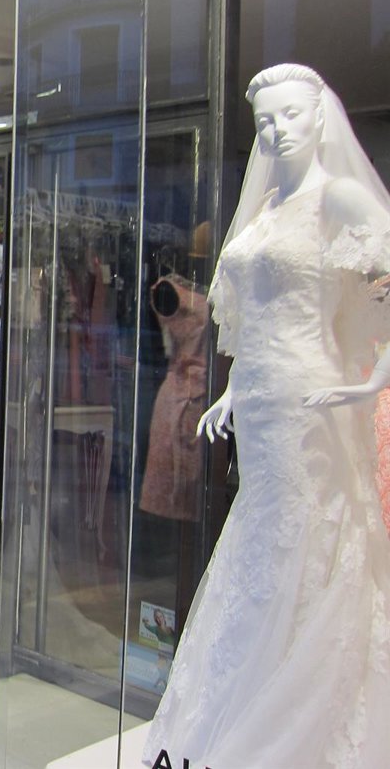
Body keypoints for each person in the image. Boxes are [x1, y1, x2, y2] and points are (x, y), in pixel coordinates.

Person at [144, 64, 390, 767]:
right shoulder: (271, 207)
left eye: (290, 115)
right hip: (258, 406)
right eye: (265, 122)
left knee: (309, 538)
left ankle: (299, 713)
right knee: (260, 541)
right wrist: (232, 390)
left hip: (312, 401)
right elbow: (255, 318)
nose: (277, 131)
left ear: (320, 117)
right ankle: (234, 699)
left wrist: (376, 377)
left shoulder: (338, 197)